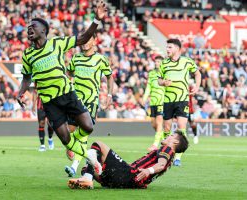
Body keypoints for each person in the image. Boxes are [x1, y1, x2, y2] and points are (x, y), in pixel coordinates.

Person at [17, 1, 108, 175]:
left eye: (33, 26)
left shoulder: (57, 43)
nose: (29, 29)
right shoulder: (28, 55)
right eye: (28, 28)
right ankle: (89, 157)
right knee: (66, 139)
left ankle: (82, 149)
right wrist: (20, 92)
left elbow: (81, 38)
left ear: (43, 30)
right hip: (49, 102)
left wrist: (96, 19)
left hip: (67, 94)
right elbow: (26, 77)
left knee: (88, 127)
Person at [64, 32, 114, 177]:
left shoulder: (101, 59)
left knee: (85, 131)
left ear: (94, 41)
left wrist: (109, 95)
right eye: (83, 40)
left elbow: (110, 77)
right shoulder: (76, 58)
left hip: (91, 102)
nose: (84, 42)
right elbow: (69, 73)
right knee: (70, 133)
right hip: (74, 101)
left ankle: (74, 166)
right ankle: (71, 144)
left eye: (88, 39)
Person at [68, 131, 189, 189]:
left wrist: (148, 171)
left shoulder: (167, 149)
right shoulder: (170, 158)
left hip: (129, 175)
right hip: (127, 183)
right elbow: (162, 165)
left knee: (97, 145)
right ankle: (91, 176)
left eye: (172, 136)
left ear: (175, 142)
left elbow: (161, 165)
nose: (168, 136)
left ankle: (88, 179)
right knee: (90, 161)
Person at [158, 38, 201, 166]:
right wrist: (163, 82)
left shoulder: (187, 62)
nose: (167, 49)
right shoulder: (164, 63)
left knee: (182, 128)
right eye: (167, 47)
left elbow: (197, 74)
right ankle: (167, 151)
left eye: (170, 47)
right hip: (168, 100)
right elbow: (159, 80)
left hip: (182, 99)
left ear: (177, 48)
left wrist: (197, 87)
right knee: (166, 128)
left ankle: (177, 157)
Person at [143, 55, 165, 151]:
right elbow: (148, 87)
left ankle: (155, 144)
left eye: (159, 62)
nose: (156, 63)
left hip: (162, 101)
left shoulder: (165, 73)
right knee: (154, 124)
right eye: (156, 62)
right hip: (153, 102)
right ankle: (164, 140)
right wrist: (144, 97)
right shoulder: (151, 73)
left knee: (159, 122)